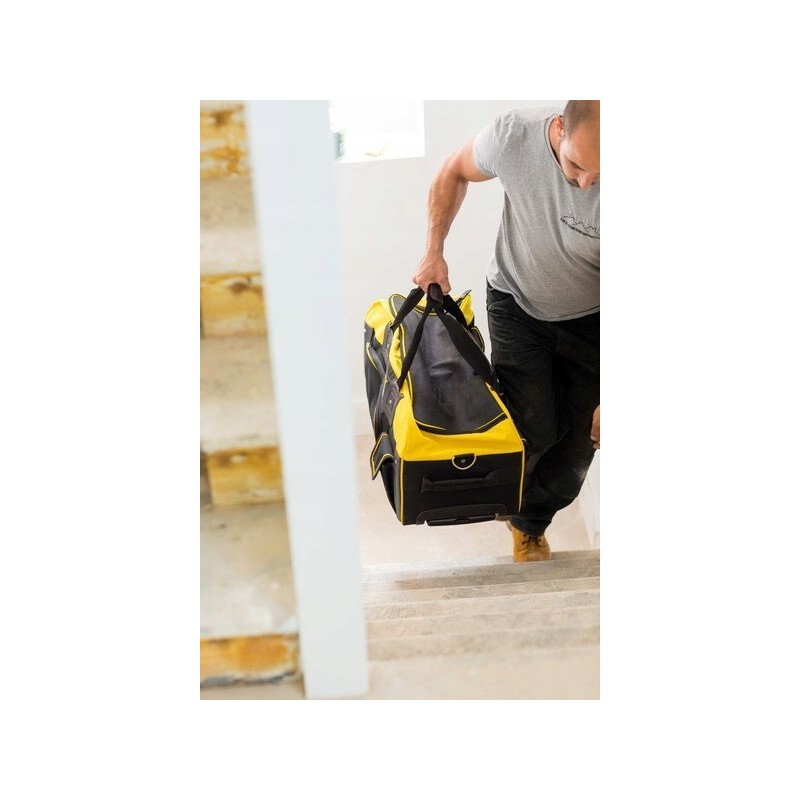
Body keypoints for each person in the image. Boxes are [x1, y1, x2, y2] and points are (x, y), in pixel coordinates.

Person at [412, 100, 600, 563]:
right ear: (559, 128)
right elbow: (452, 170)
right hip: (516, 301)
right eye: (577, 166)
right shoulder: (514, 136)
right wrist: (433, 251)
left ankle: (529, 523)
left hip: (594, 318)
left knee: (579, 446)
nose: (586, 183)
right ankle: (503, 494)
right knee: (531, 426)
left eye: (601, 174)